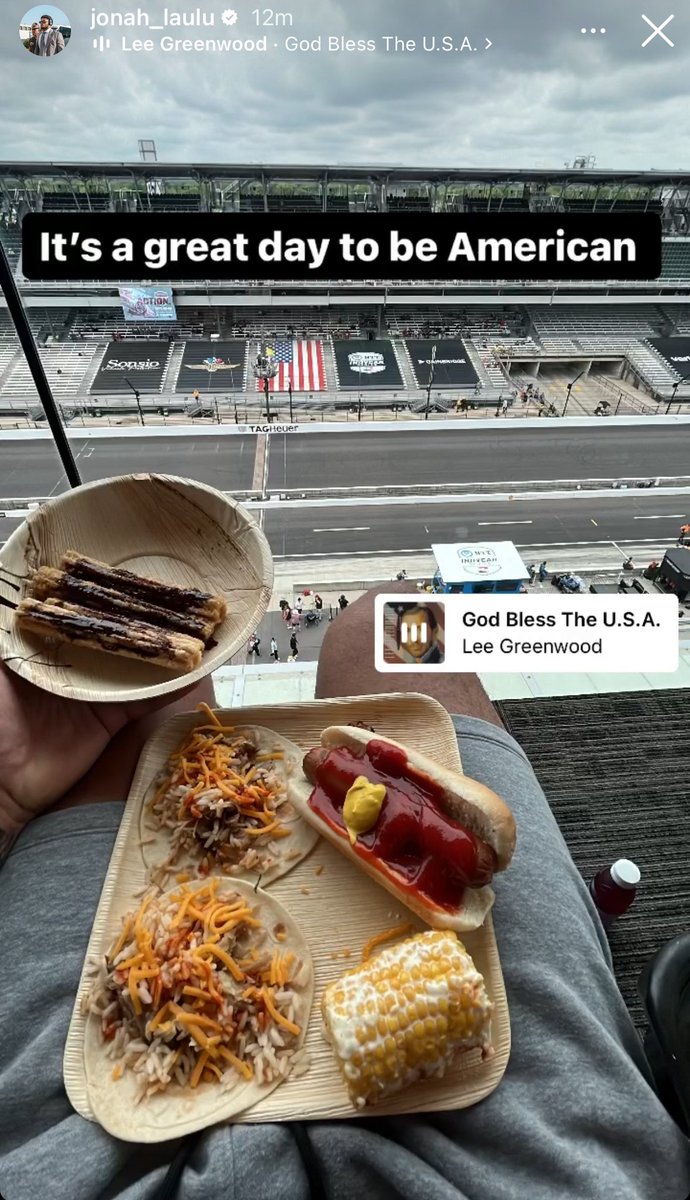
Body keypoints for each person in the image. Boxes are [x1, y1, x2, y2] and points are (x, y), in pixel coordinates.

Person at [2, 587, 689, 1200]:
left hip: (61, 1157)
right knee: (381, 619)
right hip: (532, 1160)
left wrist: (10, 801)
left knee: (182, 690)